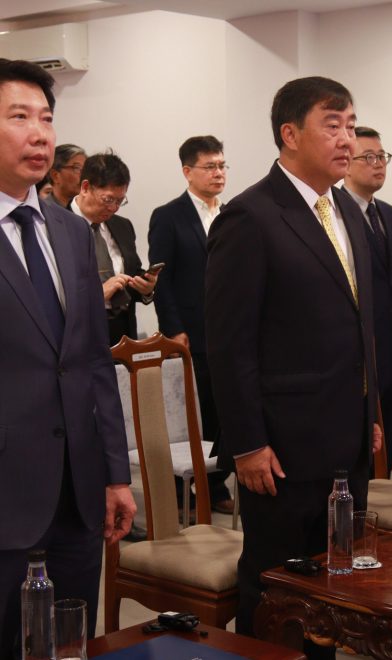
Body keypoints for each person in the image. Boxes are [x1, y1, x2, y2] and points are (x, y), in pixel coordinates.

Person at [205, 76, 379, 657]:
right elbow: (229, 345)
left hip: (346, 438)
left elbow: (361, 325)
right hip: (281, 448)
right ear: (290, 134)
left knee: (330, 590)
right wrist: (248, 443)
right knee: (276, 588)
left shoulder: (346, 210)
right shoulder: (251, 217)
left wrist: (371, 414)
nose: (347, 139)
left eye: (351, 125)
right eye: (333, 125)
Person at [0, 59, 135, 657]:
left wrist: (115, 472)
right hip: (6, 491)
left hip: (78, 492)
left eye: (47, 118)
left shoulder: (70, 232)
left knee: (70, 643)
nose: (39, 134)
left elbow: (91, 361)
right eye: (19, 117)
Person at [148, 135, 235, 515]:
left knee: (224, 408)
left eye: (222, 165)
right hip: (189, 332)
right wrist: (173, 329)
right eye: (210, 166)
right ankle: (181, 489)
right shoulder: (169, 216)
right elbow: (161, 278)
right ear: (187, 171)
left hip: (228, 331)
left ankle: (215, 484)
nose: (218, 173)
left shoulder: (232, 213)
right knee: (190, 414)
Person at [342, 126, 392, 474]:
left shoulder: (387, 212)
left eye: (382, 156)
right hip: (359, 346)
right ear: (346, 163)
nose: (378, 164)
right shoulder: (337, 213)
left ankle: (381, 494)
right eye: (368, 157)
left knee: (391, 431)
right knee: (362, 441)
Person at [71, 151, 158, 347]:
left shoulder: (122, 226)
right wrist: (97, 294)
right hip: (81, 332)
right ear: (85, 187)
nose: (114, 208)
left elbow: (131, 272)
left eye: (120, 201)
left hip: (122, 331)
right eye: (108, 199)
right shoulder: (56, 224)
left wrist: (146, 288)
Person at [45, 143, 86, 209]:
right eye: (77, 168)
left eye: (86, 169)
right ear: (55, 176)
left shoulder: (89, 211)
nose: (84, 175)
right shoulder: (42, 211)